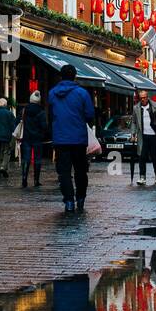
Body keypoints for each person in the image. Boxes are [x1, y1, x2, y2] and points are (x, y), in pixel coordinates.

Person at [49, 63, 96, 214]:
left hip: (61, 139)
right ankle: (80, 199)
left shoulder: (52, 93)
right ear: (75, 76)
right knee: (80, 171)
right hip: (78, 139)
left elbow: (51, 114)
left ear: (61, 76)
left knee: (64, 172)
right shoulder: (82, 93)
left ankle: (69, 201)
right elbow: (89, 115)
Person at [20, 90, 49, 188]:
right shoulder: (41, 111)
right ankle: (36, 180)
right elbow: (44, 126)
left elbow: (20, 122)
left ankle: (24, 179)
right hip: (37, 138)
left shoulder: (25, 110)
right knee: (37, 159)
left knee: (26, 159)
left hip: (26, 137)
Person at [132, 88, 156, 186]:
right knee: (142, 157)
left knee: (154, 157)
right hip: (142, 136)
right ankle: (142, 177)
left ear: (148, 97)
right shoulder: (136, 108)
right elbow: (134, 122)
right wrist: (133, 134)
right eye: (141, 98)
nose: (143, 99)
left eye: (144, 98)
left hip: (154, 136)